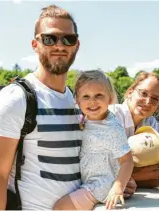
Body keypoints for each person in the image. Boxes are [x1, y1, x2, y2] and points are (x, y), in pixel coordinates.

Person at [0, 5, 82, 210]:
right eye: (49, 38)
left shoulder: (78, 100)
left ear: (76, 45)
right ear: (35, 45)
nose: (59, 45)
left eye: (68, 39)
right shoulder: (16, 99)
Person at [53, 70, 134, 210]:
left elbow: (127, 160)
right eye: (86, 96)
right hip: (89, 182)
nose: (92, 101)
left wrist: (118, 187)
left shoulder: (112, 128)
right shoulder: (86, 119)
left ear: (110, 98)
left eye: (99, 95)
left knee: (60, 208)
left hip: (101, 186)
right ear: (77, 100)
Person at [109, 72, 159, 194]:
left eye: (155, 99)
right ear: (130, 92)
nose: (148, 101)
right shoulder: (111, 117)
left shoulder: (150, 124)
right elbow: (99, 170)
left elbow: (148, 174)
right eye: (143, 93)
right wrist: (136, 176)